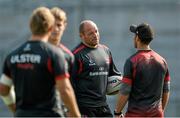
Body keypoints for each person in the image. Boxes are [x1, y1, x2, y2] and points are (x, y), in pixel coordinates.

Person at [0, 7, 80, 117]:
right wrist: (76, 116)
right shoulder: (54, 54)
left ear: (31, 26)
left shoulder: (12, 56)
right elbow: (65, 90)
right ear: (50, 27)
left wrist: (15, 109)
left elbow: (3, 89)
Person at [114, 23, 170, 117]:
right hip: (157, 114)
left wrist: (117, 112)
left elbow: (125, 91)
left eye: (134, 36)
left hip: (135, 115)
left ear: (137, 38)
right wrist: (160, 111)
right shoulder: (162, 61)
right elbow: (166, 90)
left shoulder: (132, 61)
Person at [71, 20, 121, 117]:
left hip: (103, 106)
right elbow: (70, 86)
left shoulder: (106, 51)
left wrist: (118, 85)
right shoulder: (76, 55)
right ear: (82, 35)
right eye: (90, 33)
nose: (95, 35)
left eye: (96, 31)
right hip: (85, 108)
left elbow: (114, 76)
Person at [49, 7, 74, 116]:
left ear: (65, 26)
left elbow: (70, 87)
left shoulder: (68, 56)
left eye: (59, 25)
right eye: (52, 25)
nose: (55, 29)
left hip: (60, 111)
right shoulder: (36, 51)